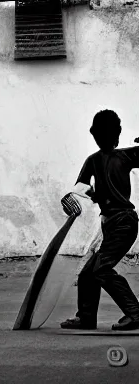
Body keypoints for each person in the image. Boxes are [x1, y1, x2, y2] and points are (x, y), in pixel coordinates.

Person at [60, 109, 139, 331]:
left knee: (100, 269)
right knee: (88, 273)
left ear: (93, 134)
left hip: (123, 222)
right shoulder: (119, 157)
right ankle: (86, 317)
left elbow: (81, 190)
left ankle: (135, 313)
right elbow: (82, 189)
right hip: (115, 224)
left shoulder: (115, 157)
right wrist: (78, 197)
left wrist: (77, 197)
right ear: (119, 133)